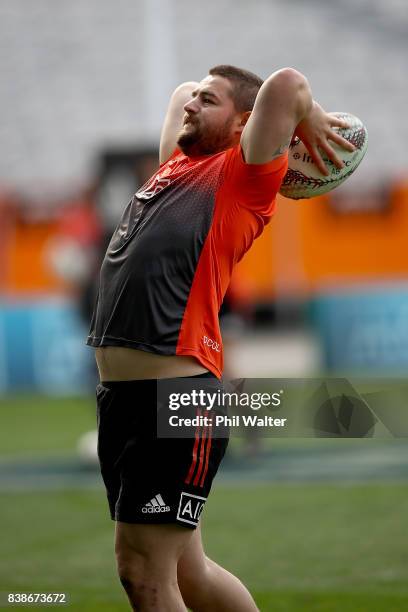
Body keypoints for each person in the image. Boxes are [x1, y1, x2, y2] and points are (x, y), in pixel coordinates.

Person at [86, 65, 354, 611]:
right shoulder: (178, 167)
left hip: (177, 400)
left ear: (244, 126)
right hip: (125, 401)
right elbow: (182, 92)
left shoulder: (243, 178)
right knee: (190, 576)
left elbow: (287, 85)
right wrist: (207, 95)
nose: (191, 105)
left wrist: (311, 118)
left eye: (210, 101)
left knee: (143, 574)